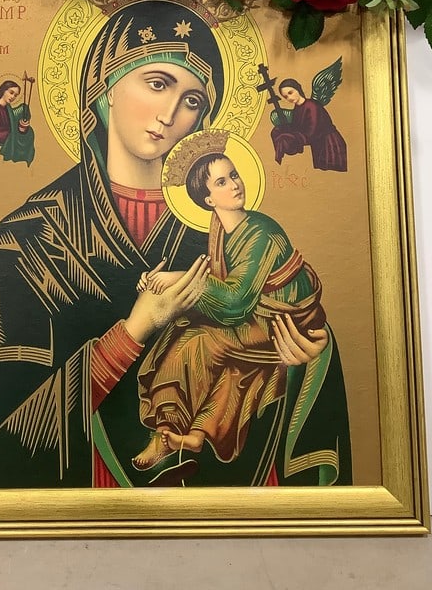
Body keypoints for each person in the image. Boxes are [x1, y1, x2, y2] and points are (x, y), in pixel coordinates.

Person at [0, 0, 350, 489]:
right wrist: (133, 332)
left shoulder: (226, 228)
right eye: (157, 83)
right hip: (84, 508)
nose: (170, 114)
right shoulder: (28, 242)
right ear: (105, 87)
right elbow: (1, 440)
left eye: (191, 100)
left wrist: (301, 357)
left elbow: (279, 317)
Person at [132, 137, 330, 474]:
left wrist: (178, 278)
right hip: (259, 318)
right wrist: (162, 283)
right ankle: (191, 436)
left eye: (234, 175)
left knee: (196, 341)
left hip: (282, 323)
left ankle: (166, 427)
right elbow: (225, 284)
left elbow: (236, 302)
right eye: (222, 181)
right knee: (227, 364)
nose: (235, 184)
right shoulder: (222, 231)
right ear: (208, 199)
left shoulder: (262, 230)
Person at [271, 78, 347, 172]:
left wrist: (292, 137)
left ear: (298, 89)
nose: (289, 98)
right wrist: (282, 129)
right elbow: (297, 127)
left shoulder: (312, 106)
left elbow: (312, 131)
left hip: (330, 145)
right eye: (286, 96)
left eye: (290, 93)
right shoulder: (297, 108)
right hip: (318, 145)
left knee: (332, 174)